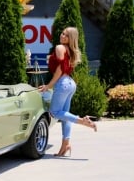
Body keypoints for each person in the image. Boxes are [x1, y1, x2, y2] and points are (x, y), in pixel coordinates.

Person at [39, 27, 97, 157]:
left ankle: (82, 121)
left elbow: (59, 69)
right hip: (70, 83)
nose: (62, 35)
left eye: (65, 34)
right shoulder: (71, 51)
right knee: (65, 116)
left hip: (63, 83)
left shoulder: (60, 47)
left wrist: (49, 85)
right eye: (62, 33)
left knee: (54, 112)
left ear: (70, 38)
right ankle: (66, 145)